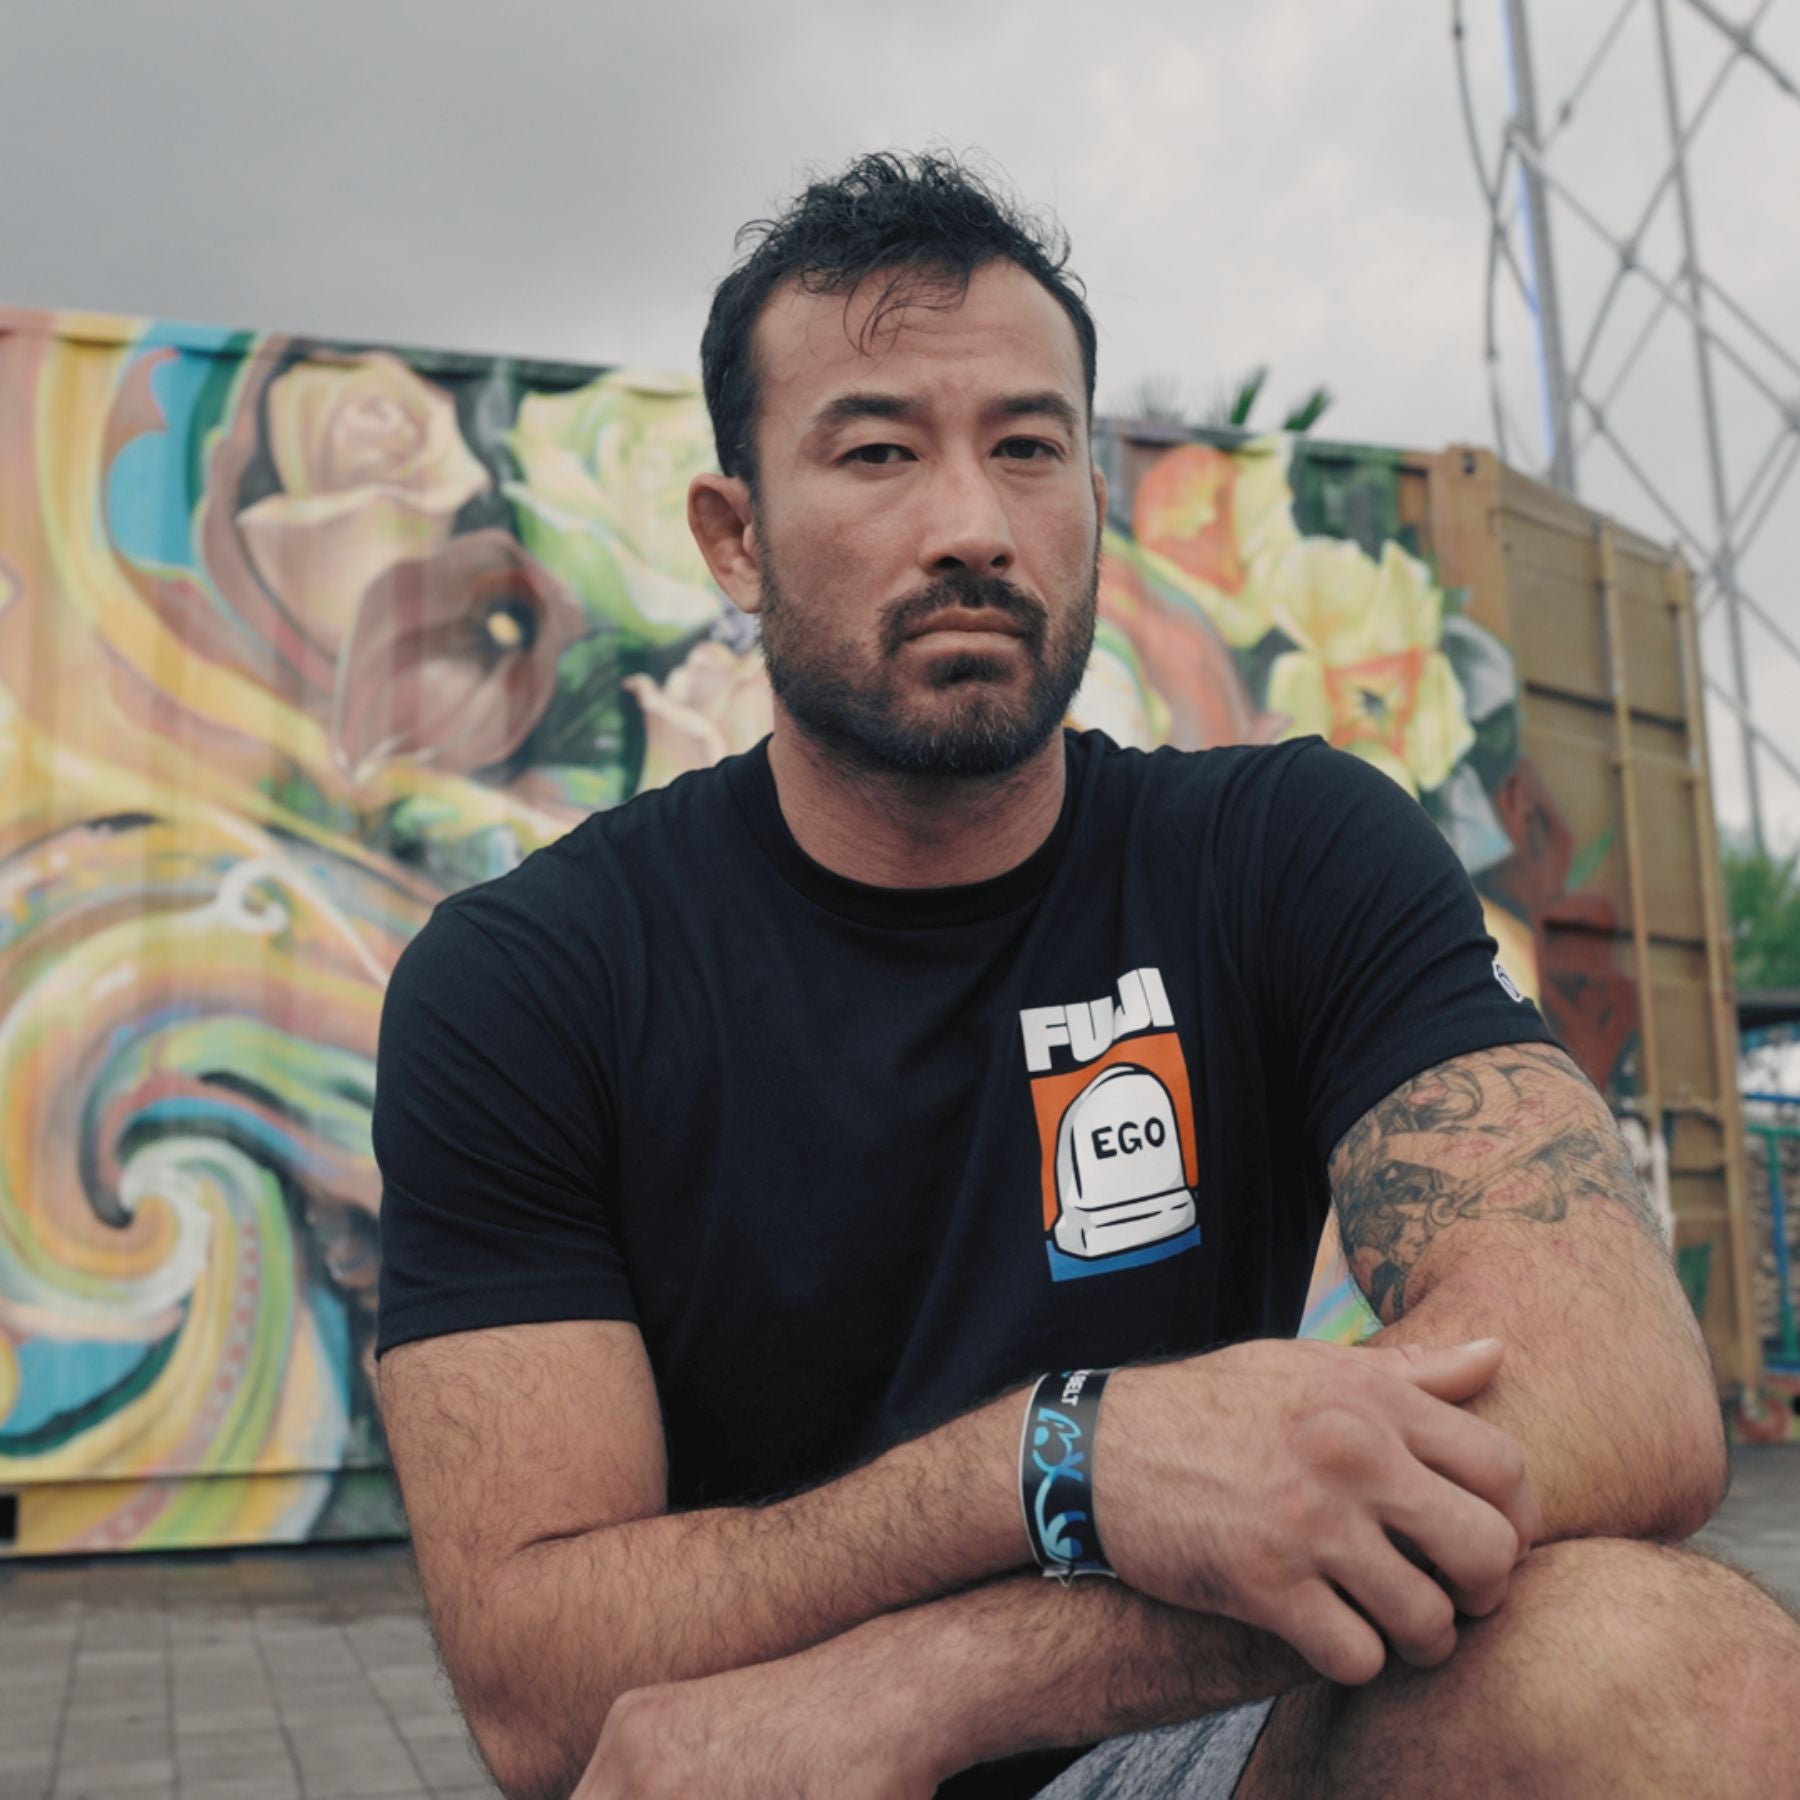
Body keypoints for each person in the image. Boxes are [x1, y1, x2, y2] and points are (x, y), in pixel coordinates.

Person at [372, 152, 1800, 1799]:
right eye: (879, 450)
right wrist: (1068, 1457)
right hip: (758, 1763)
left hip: (1171, 1742)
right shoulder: (533, 980)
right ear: (735, 534)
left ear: (1094, 503)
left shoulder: (1284, 854)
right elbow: (542, 1689)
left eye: (1031, 448)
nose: (973, 523)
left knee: (1674, 1676)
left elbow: (1621, 1385)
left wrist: (946, 1680)